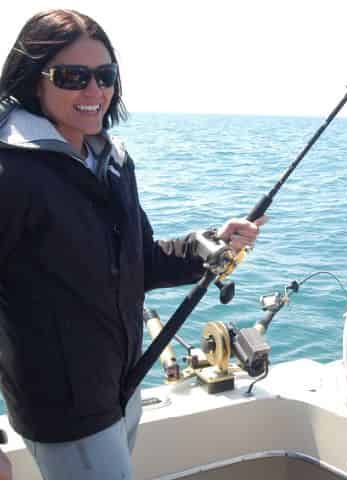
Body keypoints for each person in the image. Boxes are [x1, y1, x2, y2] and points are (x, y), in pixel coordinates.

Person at [0, 9, 266, 480]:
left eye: (105, 76)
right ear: (32, 81)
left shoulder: (112, 161)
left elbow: (138, 260)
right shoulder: (12, 174)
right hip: (65, 410)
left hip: (124, 385)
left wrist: (209, 245)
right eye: (72, 76)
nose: (94, 91)